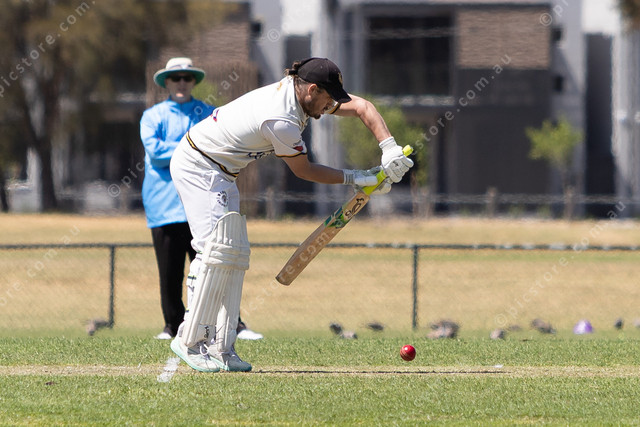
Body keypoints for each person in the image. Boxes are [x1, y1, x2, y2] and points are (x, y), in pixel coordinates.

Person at [169, 57, 413, 373]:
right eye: (328, 98)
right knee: (214, 252)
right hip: (198, 166)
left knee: (235, 254)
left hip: (223, 172)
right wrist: (357, 178)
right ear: (312, 90)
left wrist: (389, 147)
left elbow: (363, 107)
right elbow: (304, 170)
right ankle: (189, 340)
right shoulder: (280, 118)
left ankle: (222, 346)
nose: (330, 106)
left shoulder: (303, 95)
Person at [140, 57, 263, 341]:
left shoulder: (208, 113)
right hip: (165, 206)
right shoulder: (153, 116)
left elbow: (223, 146)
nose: (181, 83)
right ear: (167, 82)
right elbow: (155, 152)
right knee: (170, 273)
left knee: (216, 266)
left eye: (187, 78)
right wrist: (194, 148)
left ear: (193, 81)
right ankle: (172, 327)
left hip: (205, 204)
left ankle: (230, 324)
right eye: (176, 78)